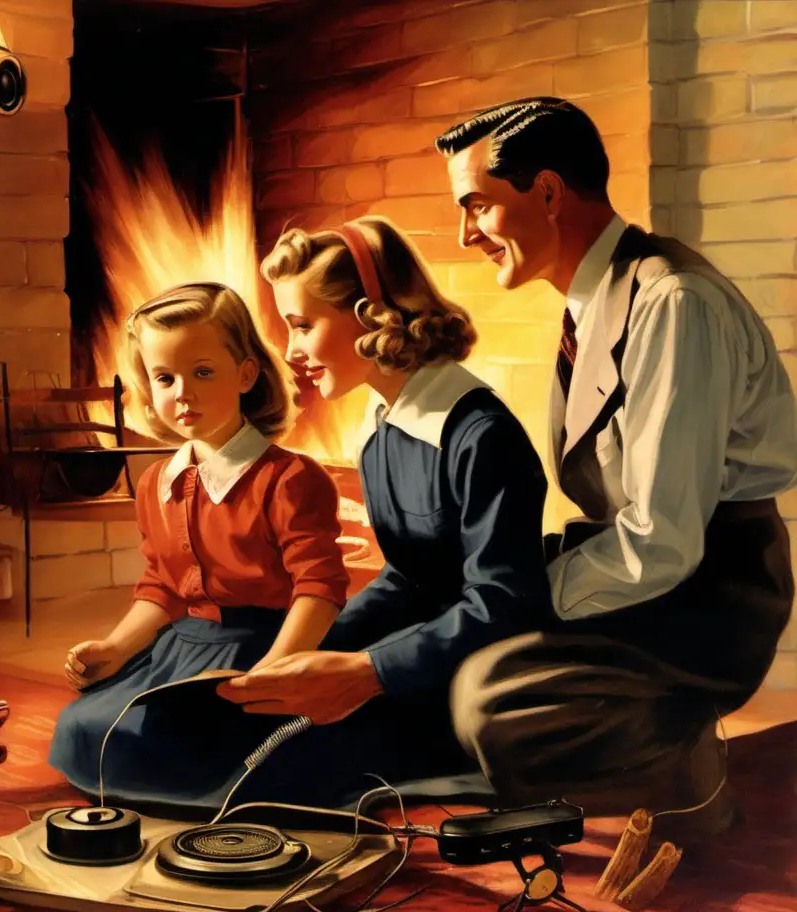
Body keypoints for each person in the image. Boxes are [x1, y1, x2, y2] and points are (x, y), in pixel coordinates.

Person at [433, 96, 797, 838]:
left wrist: (517, 601)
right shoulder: (592, 301)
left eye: (476, 206)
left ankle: (681, 772)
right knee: (455, 641)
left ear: (545, 193)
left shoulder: (671, 303)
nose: (464, 234)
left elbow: (662, 539)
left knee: (482, 696)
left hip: (710, 595)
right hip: (652, 572)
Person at [214, 215, 555, 809]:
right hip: (412, 653)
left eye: (302, 326)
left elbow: (504, 601)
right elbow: (408, 575)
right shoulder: (380, 429)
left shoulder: (480, 434)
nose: (292, 352)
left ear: (373, 316)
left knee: (288, 775)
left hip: (472, 669)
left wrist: (366, 668)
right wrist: (320, 645)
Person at [48, 281, 350, 808]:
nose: (182, 392)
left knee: (195, 743)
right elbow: (162, 588)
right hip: (181, 651)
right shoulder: (156, 483)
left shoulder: (289, 478)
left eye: (203, 372)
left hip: (261, 647)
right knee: (85, 723)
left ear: (246, 375)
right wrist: (116, 648)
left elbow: (320, 589)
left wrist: (273, 671)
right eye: (165, 377)